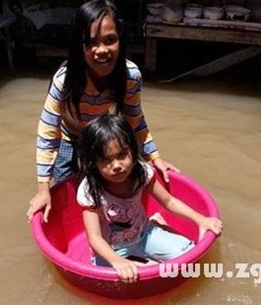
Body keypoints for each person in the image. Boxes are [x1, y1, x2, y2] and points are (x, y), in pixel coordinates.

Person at [27, 0, 178, 223]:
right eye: (91, 42)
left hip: (100, 135)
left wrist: (154, 157)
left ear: (121, 41)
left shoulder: (130, 76)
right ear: (80, 46)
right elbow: (48, 132)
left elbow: (133, 121)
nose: (101, 51)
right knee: (69, 191)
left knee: (110, 182)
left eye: (110, 40)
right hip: (69, 135)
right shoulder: (65, 80)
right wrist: (43, 188)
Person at [77, 114, 223, 283]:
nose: (116, 165)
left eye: (122, 155)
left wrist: (201, 220)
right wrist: (118, 261)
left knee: (189, 259)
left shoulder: (141, 172)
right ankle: (148, 254)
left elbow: (168, 201)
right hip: (111, 248)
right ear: (93, 163)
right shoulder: (90, 190)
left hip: (144, 234)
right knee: (105, 280)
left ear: (132, 149)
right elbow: (94, 238)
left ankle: (156, 226)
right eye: (105, 160)